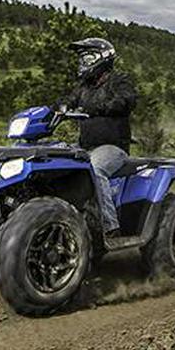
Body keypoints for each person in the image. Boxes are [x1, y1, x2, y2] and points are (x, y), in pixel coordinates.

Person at [64, 37, 137, 238]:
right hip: (85, 147)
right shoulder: (84, 87)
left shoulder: (119, 81)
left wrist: (97, 108)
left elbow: (126, 100)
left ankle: (109, 227)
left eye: (87, 58)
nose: (83, 63)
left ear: (102, 58)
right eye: (82, 59)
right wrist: (52, 110)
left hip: (113, 148)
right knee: (55, 160)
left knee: (95, 169)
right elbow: (66, 102)